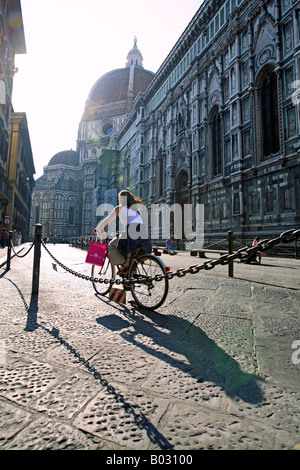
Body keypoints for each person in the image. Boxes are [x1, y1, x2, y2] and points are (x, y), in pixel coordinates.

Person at [94, 190, 152, 275]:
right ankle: (130, 276)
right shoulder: (136, 209)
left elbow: (108, 220)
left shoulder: (119, 208)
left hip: (131, 231)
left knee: (111, 246)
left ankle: (124, 264)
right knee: (132, 254)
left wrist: (98, 228)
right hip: (142, 232)